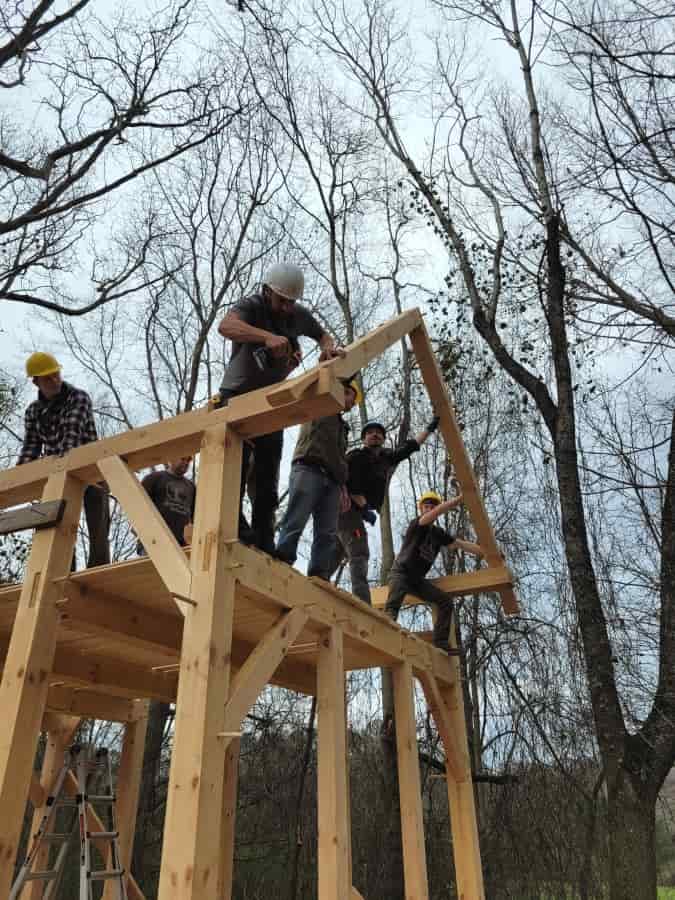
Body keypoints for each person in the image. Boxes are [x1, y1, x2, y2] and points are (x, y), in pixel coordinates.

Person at [217, 262, 344, 553]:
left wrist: (326, 348)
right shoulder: (252, 306)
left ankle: (263, 539)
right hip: (236, 396)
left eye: (291, 302)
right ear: (267, 291)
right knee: (234, 468)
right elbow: (226, 326)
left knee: (267, 477)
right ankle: (233, 528)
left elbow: (323, 335)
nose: (287, 307)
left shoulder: (298, 315)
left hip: (270, 404)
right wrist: (266, 337)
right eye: (282, 301)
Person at [331, 414, 440, 604]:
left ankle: (317, 578)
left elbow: (409, 447)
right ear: (364, 438)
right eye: (370, 433)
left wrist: (429, 429)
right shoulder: (356, 457)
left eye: (379, 433)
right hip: (345, 509)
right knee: (359, 551)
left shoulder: (385, 458)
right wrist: (364, 507)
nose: (375, 435)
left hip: (356, 513)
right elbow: (350, 485)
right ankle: (362, 602)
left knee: (337, 551)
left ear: (383, 439)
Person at [18, 352, 110, 568]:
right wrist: (17, 481)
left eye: (56, 374)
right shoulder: (33, 412)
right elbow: (30, 449)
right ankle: (63, 572)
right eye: (47, 378)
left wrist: (56, 472)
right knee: (59, 528)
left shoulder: (78, 397)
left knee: (98, 528)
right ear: (36, 382)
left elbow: (71, 439)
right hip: (58, 475)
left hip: (91, 472)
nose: (54, 380)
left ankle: (99, 572)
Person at [273, 380, 359, 580]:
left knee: (327, 532)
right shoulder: (320, 404)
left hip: (333, 481)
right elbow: (324, 378)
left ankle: (320, 574)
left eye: (350, 397)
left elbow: (340, 457)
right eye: (345, 392)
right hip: (309, 467)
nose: (346, 398)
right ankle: (283, 558)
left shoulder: (343, 427)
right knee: (296, 517)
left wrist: (343, 488)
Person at [385, 490, 483, 653]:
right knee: (392, 608)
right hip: (401, 573)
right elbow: (433, 514)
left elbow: (461, 544)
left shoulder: (438, 534)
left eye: (432, 507)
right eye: (426, 506)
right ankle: (387, 631)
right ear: (421, 509)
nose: (429, 509)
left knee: (445, 602)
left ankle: (441, 643)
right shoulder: (417, 525)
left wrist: (486, 553)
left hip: (417, 580)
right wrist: (458, 500)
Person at [137, 457, 196, 555]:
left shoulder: (191, 487)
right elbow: (137, 509)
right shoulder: (153, 479)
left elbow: (195, 518)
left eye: (189, 460)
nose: (186, 463)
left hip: (182, 546)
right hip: (153, 543)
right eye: (183, 459)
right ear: (171, 458)